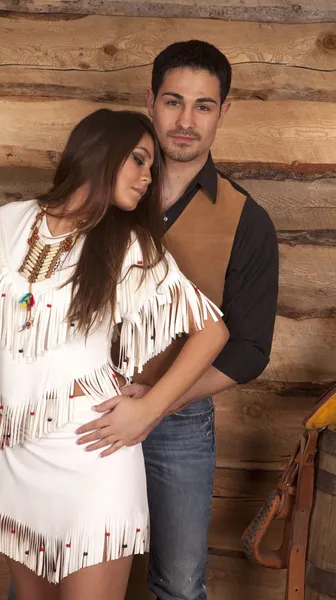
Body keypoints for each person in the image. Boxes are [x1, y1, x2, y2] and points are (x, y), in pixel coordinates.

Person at [0, 108, 229, 600]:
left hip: (93, 458)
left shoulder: (128, 246)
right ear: (99, 152)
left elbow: (212, 332)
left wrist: (149, 408)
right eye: (139, 160)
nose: (149, 177)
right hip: (19, 455)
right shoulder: (3, 225)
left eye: (152, 167)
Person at [75, 41, 279, 600]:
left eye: (203, 106)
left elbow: (248, 350)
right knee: (60, 561)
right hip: (81, 407)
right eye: (172, 102)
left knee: (181, 581)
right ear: (150, 100)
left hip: (180, 425)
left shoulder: (247, 221)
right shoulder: (99, 196)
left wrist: (156, 403)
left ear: (223, 113)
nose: (186, 121)